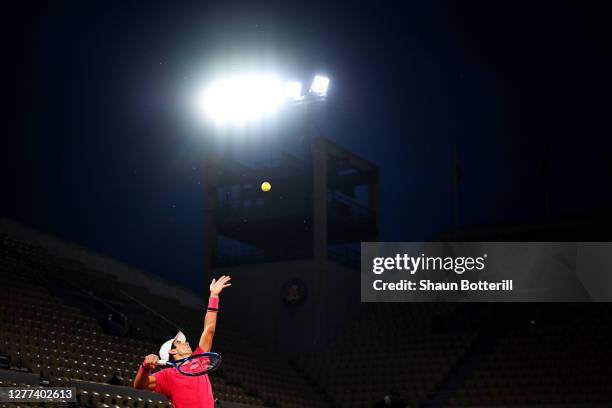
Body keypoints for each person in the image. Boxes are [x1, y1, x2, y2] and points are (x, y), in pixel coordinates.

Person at [133, 275, 232, 408]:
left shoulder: (200, 358)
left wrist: (214, 296)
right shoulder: (166, 375)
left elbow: (209, 329)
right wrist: (145, 367)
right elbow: (139, 385)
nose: (186, 343)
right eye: (180, 342)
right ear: (172, 350)